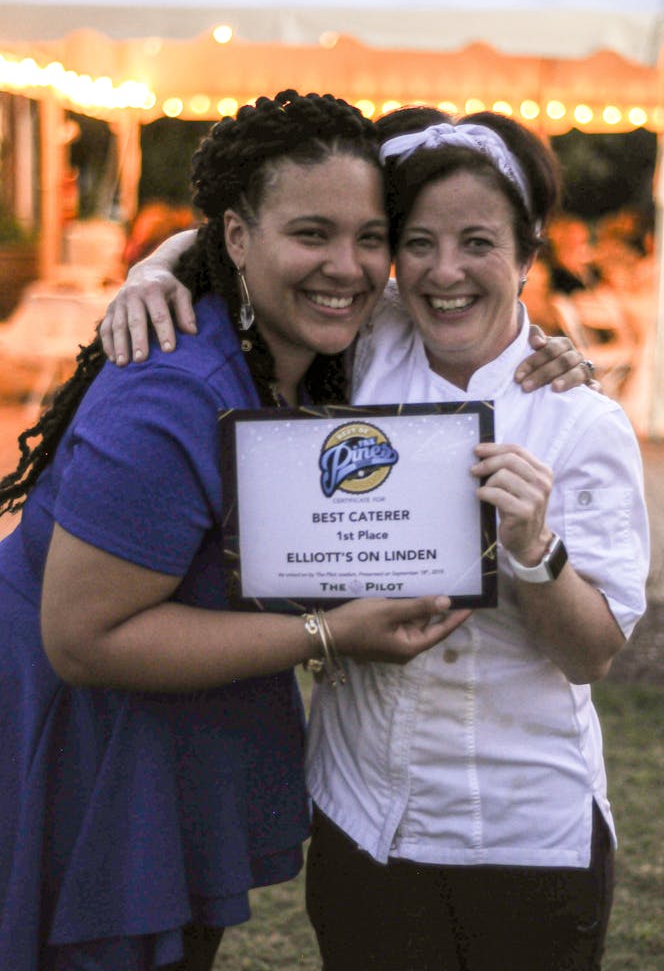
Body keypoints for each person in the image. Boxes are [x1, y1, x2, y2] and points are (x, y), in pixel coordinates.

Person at [96, 104, 624, 970]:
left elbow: (593, 655)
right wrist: (150, 269)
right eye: (417, 242)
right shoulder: (363, 343)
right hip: (360, 816)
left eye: (480, 244)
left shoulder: (579, 419)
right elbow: (261, 246)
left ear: (529, 254)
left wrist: (535, 545)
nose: (444, 270)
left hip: (523, 831)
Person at [0, 90, 471, 971]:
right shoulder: (174, 388)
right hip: (79, 745)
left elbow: (476, 308)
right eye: (311, 234)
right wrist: (328, 632)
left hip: (169, 728)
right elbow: (82, 639)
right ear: (238, 239)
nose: (348, 265)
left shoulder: (327, 359)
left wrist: (551, 354)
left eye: (370, 237)